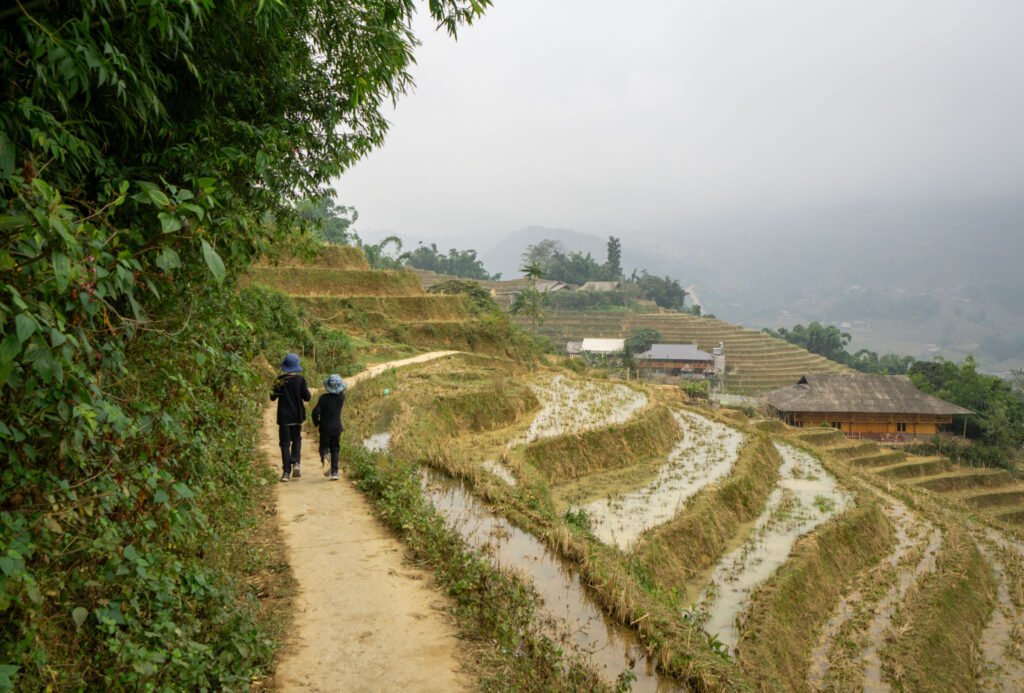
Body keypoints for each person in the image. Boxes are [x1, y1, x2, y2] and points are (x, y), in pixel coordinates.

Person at [271, 353, 311, 482]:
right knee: (297, 440)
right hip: (297, 416)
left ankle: (286, 472)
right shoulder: (301, 380)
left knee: (284, 443)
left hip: (284, 418)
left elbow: (272, 397)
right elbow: (307, 397)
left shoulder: (280, 380)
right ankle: (296, 463)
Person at [312, 373, 346, 481]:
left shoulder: (323, 398)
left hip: (325, 428)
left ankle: (326, 462)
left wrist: (316, 422)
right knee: (335, 448)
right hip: (336, 428)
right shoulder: (341, 398)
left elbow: (315, 412)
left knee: (324, 447)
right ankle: (335, 472)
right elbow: (341, 390)